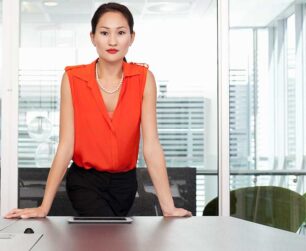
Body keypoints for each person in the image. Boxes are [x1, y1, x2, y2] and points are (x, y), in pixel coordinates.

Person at [4, 2, 192, 218]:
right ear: (92, 37)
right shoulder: (73, 79)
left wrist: (168, 207)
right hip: (85, 181)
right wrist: (44, 207)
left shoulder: (144, 79)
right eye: (104, 33)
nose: (112, 41)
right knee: (103, 232)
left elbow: (151, 146)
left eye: (120, 33)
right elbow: (66, 145)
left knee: (112, 239)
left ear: (132, 37)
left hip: (125, 184)